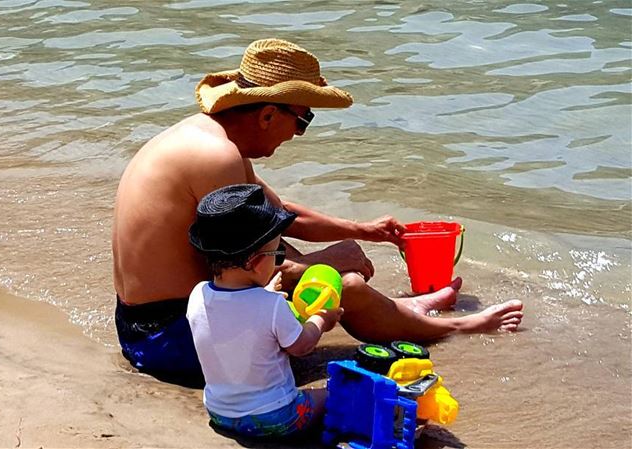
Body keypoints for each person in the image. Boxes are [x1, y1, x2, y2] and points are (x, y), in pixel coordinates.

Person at [112, 38, 523, 385]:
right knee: (343, 286)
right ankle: (452, 324)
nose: (298, 134)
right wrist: (325, 261)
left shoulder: (205, 139)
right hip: (172, 342)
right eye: (303, 119)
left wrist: (363, 230)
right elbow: (255, 261)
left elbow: (281, 211)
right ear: (268, 114)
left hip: (149, 327)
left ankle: (407, 312)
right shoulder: (216, 157)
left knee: (328, 277)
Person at [186, 184, 342, 439]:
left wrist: (265, 293)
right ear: (255, 263)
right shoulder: (272, 306)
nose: (279, 260)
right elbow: (301, 346)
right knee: (332, 393)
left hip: (219, 413)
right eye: (278, 254)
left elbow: (236, 319)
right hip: (278, 418)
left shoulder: (197, 295)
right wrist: (321, 319)